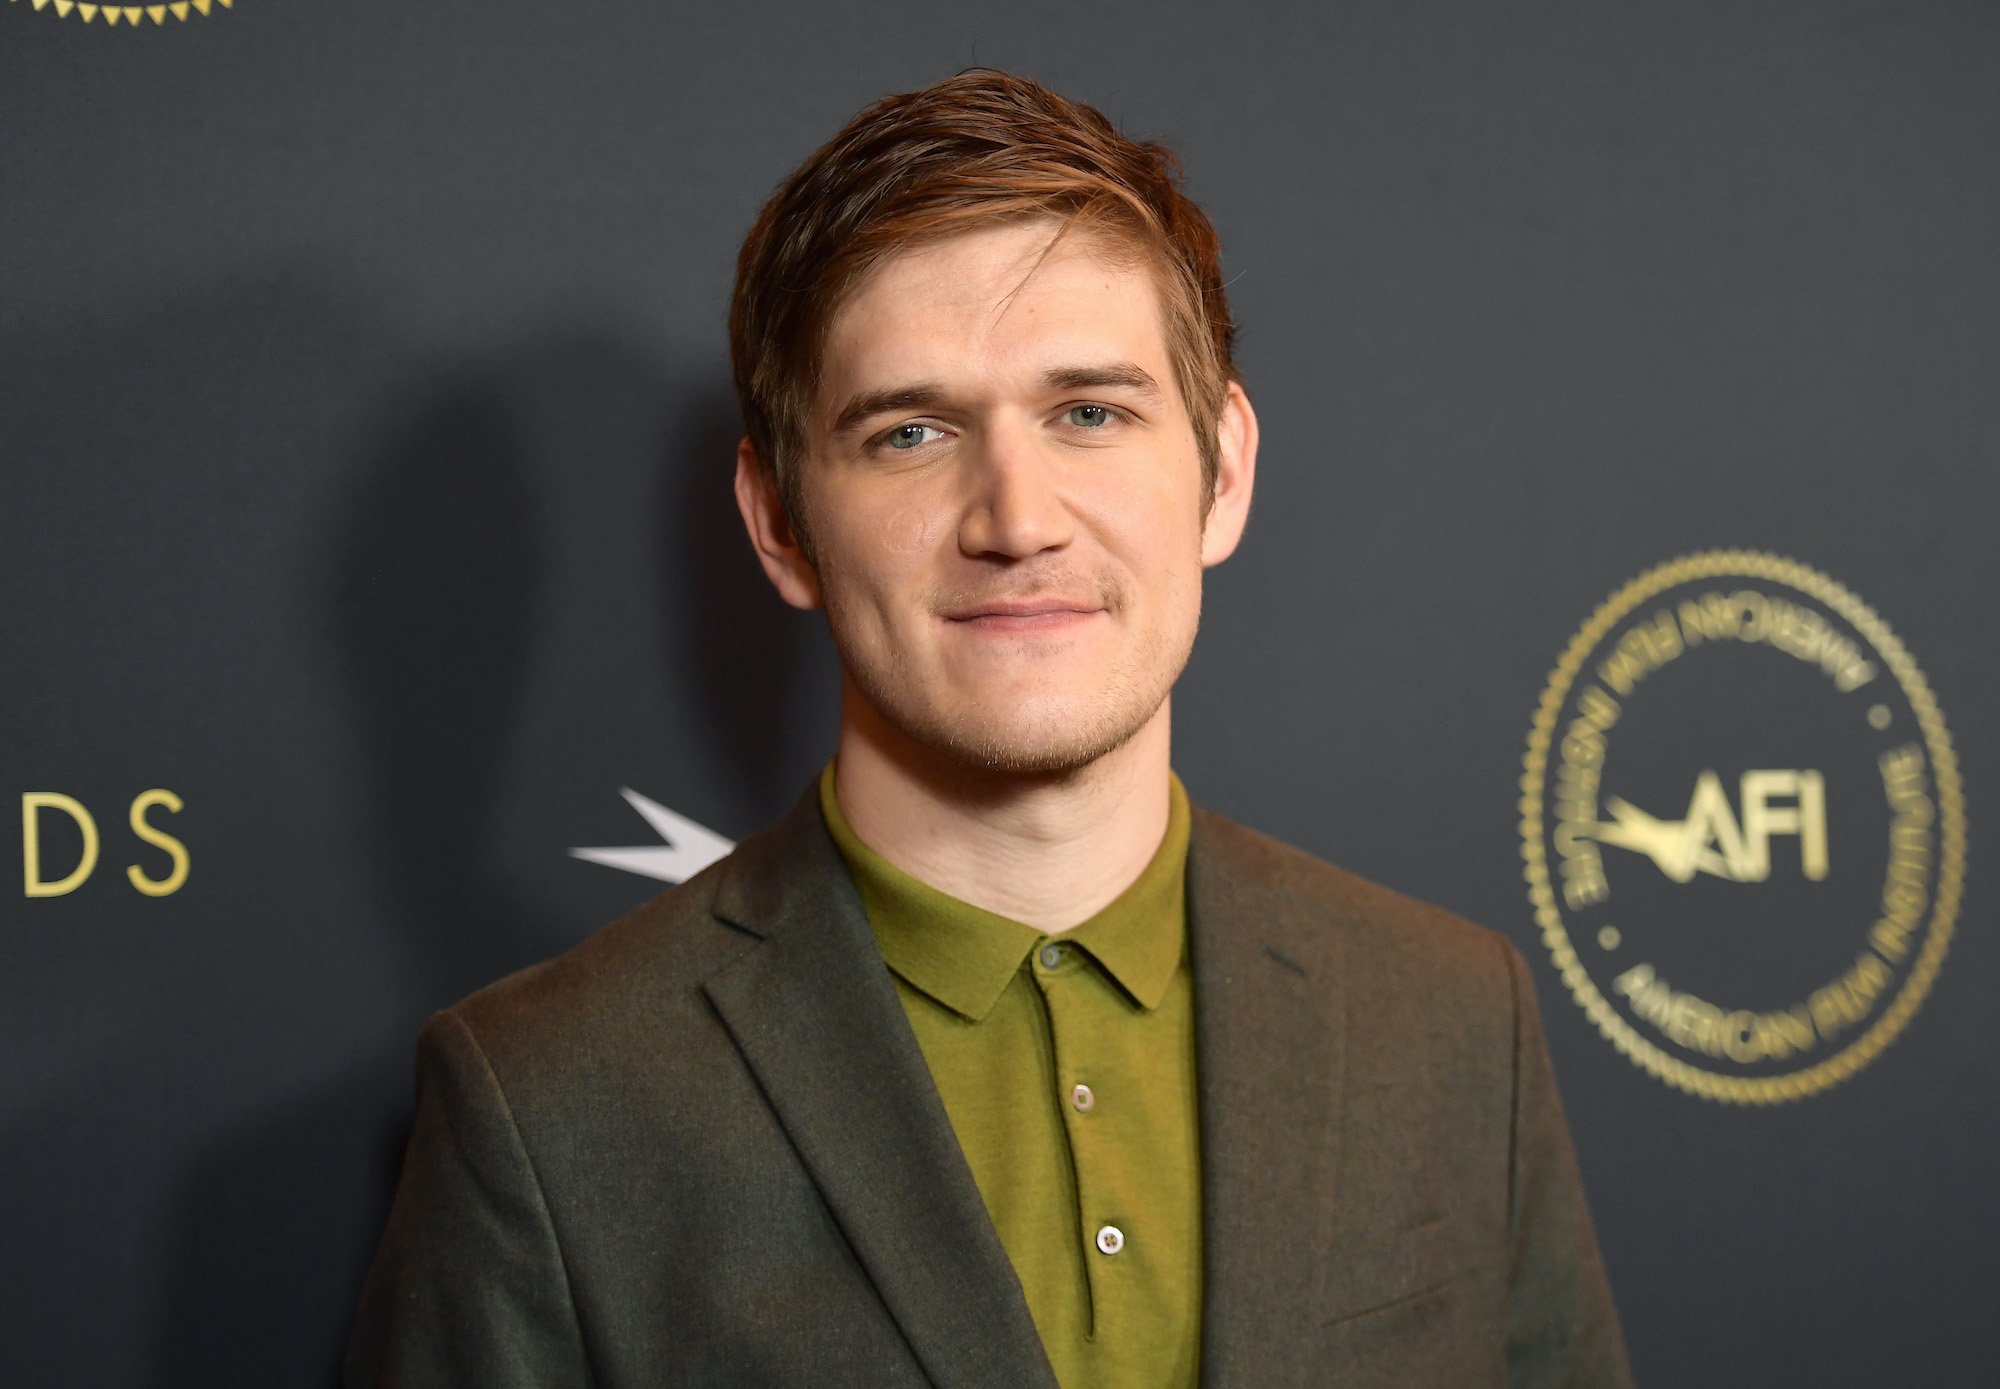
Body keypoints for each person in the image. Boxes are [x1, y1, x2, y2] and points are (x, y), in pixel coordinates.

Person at [346, 70, 1633, 1388]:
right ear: (779, 520)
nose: (1016, 517)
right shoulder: (548, 1104)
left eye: (1090, 412)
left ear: (1224, 470)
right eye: (911, 432)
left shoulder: (1452, 1018)